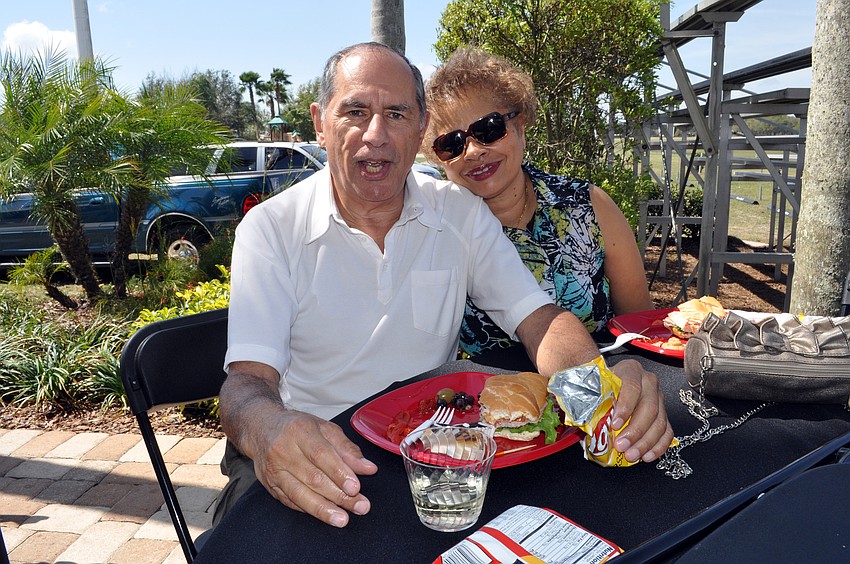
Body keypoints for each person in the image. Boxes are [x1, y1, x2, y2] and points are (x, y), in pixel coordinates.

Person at [216, 42, 673, 530]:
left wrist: (598, 395)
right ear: (320, 123)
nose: (376, 135)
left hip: (438, 453)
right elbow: (248, 382)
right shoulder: (269, 228)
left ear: (418, 129)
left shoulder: (458, 212)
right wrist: (267, 428)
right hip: (315, 449)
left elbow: (539, 319)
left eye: (396, 114)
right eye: (355, 111)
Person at [423, 47, 654, 367]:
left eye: (488, 129)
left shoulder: (590, 207)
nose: (473, 151)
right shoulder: (432, 232)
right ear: (439, 159)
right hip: (491, 405)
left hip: (604, 388)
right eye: (452, 144)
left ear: (519, 125)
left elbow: (642, 326)